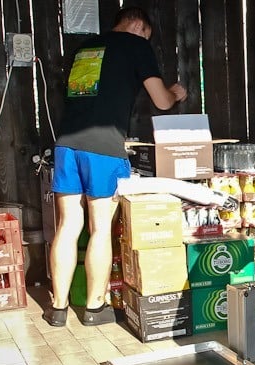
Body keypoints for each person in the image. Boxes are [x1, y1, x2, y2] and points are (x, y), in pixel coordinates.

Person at [43, 7, 187, 327]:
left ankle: (58, 308)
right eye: (147, 35)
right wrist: (175, 93)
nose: (146, 39)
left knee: (67, 226)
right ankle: (94, 309)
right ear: (138, 26)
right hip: (103, 149)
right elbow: (161, 100)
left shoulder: (86, 48)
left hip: (67, 145)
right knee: (100, 229)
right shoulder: (136, 45)